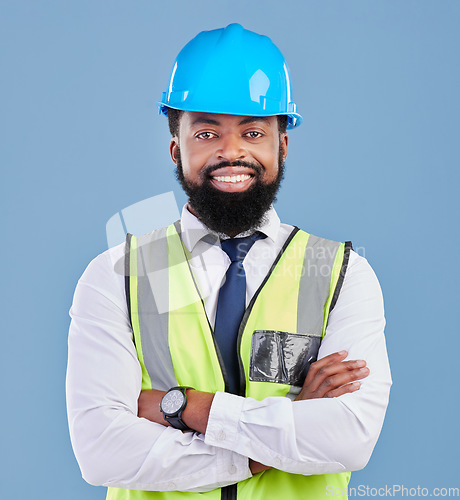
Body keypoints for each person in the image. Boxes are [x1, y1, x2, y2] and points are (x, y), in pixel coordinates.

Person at [66, 23, 391, 500]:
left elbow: (349, 439)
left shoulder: (343, 275)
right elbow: (101, 451)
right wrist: (272, 445)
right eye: (207, 132)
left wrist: (184, 408)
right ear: (177, 148)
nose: (232, 151)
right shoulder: (118, 275)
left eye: (253, 132)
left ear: (282, 144)